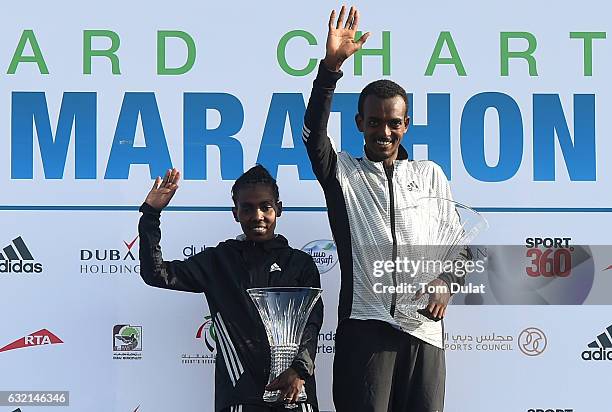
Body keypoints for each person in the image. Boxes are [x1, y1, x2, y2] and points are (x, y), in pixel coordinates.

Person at [302, 6, 466, 412]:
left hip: (424, 333)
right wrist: (329, 70)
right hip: (365, 328)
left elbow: (460, 250)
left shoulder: (430, 176)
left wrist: (446, 281)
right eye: (374, 122)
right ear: (359, 123)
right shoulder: (342, 173)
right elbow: (313, 134)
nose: (384, 131)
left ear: (406, 124)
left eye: (393, 123)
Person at [138, 165, 323, 412]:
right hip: (240, 397)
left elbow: (312, 322)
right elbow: (156, 274)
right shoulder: (219, 261)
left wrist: (300, 370)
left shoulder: (299, 264)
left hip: (293, 391)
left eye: (265, 207)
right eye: (247, 208)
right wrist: (151, 214)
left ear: (278, 209)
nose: (257, 215)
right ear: (235, 213)